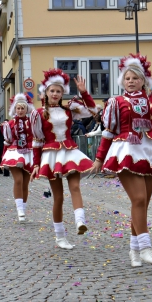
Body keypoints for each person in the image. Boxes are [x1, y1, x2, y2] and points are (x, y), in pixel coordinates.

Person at [92, 45, 152, 267]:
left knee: (143, 203)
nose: (131, 81)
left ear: (143, 80)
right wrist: (99, 158)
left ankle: (134, 250)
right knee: (139, 199)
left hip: (150, 151)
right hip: (126, 150)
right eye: (127, 78)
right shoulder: (116, 102)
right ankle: (145, 248)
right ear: (122, 81)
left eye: (135, 78)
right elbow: (108, 132)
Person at [30, 72, 99, 250]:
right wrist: (36, 164)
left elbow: (93, 111)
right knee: (58, 197)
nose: (55, 94)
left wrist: (84, 93)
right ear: (46, 93)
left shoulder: (69, 110)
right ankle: (60, 237)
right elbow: (37, 141)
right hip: (51, 155)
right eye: (52, 90)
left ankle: (79, 222)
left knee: (75, 186)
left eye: (58, 91)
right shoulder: (38, 114)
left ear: (62, 94)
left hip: (69, 152)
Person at [0, 93, 35, 221]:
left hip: (28, 152)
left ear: (27, 109)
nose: (20, 111)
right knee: (18, 180)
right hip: (14, 152)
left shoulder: (32, 122)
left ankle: (23, 209)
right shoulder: (9, 124)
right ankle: (19, 209)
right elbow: (7, 141)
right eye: (18, 108)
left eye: (22, 108)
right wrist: (3, 158)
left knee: (25, 183)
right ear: (15, 109)